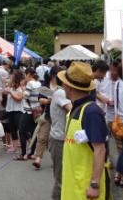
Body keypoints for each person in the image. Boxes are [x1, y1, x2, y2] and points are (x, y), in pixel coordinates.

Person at [58, 61, 110, 200]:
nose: (62, 86)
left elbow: (100, 149)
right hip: (73, 183)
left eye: (63, 83)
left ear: (69, 87)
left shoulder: (91, 112)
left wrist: (94, 184)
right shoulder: (76, 108)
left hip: (85, 187)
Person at [47, 66, 72, 200]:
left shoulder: (61, 93)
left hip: (62, 139)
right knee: (61, 180)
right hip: (59, 140)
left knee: (65, 178)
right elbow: (72, 110)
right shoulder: (61, 93)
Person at [16, 67, 41, 161]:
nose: (25, 77)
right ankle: (31, 153)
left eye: (25, 75)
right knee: (33, 132)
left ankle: (23, 153)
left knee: (21, 131)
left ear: (29, 74)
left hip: (27, 111)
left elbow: (24, 96)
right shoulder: (38, 83)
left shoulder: (30, 83)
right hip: (35, 111)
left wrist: (22, 88)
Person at [3, 70, 24, 154]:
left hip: (18, 111)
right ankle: (15, 147)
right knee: (13, 130)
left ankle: (30, 146)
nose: (10, 77)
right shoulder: (11, 87)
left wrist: (10, 92)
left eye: (12, 76)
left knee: (21, 129)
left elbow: (19, 99)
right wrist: (5, 89)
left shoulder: (20, 88)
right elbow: (4, 93)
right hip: (10, 110)